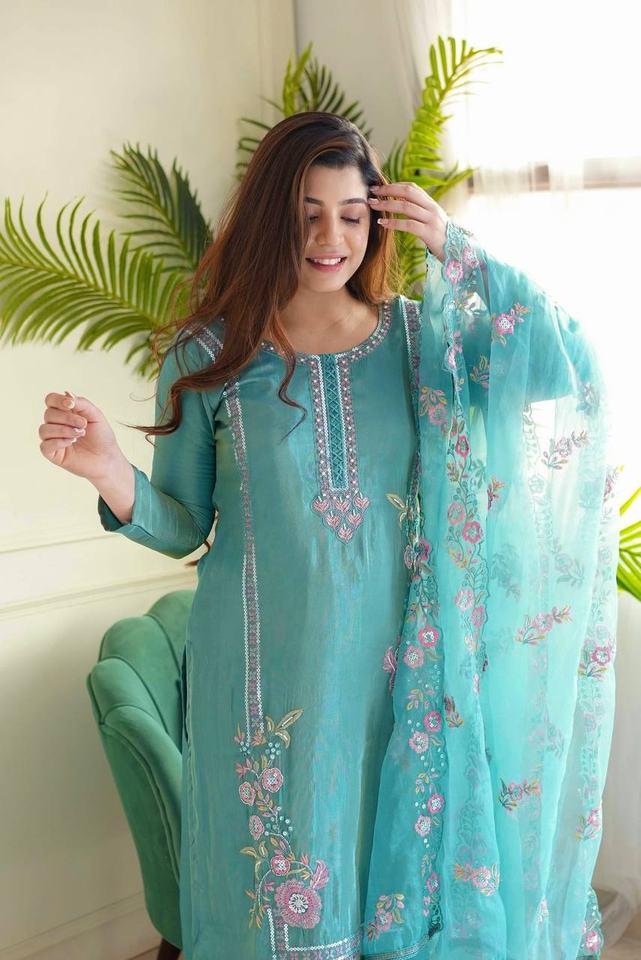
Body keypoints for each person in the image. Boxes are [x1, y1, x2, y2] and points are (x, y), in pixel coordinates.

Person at [38, 112, 619, 960]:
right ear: (270, 217)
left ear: (377, 221)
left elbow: (566, 366)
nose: (329, 237)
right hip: (261, 684)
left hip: (401, 682)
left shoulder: (421, 342)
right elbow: (181, 526)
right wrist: (108, 471)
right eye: (306, 213)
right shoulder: (210, 353)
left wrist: (456, 248)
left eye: (351, 214)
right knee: (276, 917)